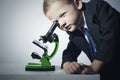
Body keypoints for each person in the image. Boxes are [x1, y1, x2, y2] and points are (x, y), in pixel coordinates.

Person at [43, 0, 120, 80]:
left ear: (77, 4)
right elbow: (70, 51)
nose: (61, 24)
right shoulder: (75, 31)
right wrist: (67, 64)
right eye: (56, 22)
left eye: (63, 15)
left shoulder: (98, 7)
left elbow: (111, 37)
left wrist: (94, 67)